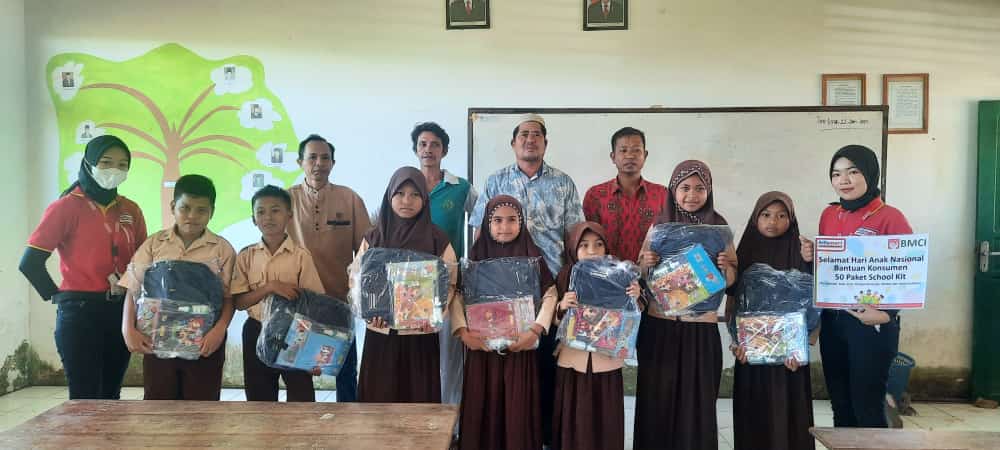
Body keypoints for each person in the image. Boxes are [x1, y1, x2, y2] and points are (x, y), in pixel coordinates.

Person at [469, 113, 584, 445]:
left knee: (545, 363)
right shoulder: (496, 180)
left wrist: (568, 283)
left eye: (536, 135)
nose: (530, 140)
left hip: (549, 286)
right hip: (498, 289)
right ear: (513, 142)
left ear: (545, 143)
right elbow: (479, 232)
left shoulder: (563, 183)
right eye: (524, 135)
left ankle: (540, 434)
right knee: (501, 363)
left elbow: (574, 237)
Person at [19, 135, 147, 400]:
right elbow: (30, 263)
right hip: (79, 314)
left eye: (122, 165)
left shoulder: (130, 210)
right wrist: (58, 296)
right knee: (84, 397)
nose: (114, 170)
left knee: (110, 394)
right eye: (106, 162)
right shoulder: (66, 207)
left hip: (120, 310)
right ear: (89, 163)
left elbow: (142, 261)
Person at [800, 145, 911, 428]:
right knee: (841, 405)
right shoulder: (829, 214)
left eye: (853, 172)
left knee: (867, 406)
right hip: (834, 322)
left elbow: (909, 271)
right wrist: (814, 257)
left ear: (870, 174)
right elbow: (831, 269)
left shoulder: (890, 217)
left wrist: (886, 314)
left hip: (871, 324)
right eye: (836, 174)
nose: (844, 180)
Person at [634, 160, 737, 450]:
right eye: (685, 188)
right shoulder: (660, 224)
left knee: (697, 402)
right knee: (657, 401)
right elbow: (640, 274)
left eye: (700, 188)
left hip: (700, 331)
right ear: (673, 190)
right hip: (660, 328)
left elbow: (732, 281)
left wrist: (726, 267)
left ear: (709, 191)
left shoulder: (718, 227)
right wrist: (646, 262)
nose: (692, 195)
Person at [453, 195, 558, 450]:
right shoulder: (475, 257)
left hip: (520, 347)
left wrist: (535, 330)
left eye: (512, 220)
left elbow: (550, 293)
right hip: (482, 350)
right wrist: (463, 332)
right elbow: (457, 296)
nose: (504, 226)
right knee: (483, 401)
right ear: (487, 224)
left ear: (522, 222)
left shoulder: (533, 256)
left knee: (517, 403)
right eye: (497, 220)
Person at [120, 174, 236, 400]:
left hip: (204, 343)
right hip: (156, 340)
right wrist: (128, 329)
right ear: (173, 207)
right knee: (159, 403)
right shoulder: (154, 244)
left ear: (211, 212)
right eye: (185, 208)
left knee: (202, 405)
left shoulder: (222, 249)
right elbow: (133, 289)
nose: (192, 216)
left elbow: (229, 298)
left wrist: (219, 331)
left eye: (201, 210)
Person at [354, 167, 457, 403]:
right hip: (381, 333)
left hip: (420, 335)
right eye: (400, 193)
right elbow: (357, 279)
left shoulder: (437, 239)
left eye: (415, 194)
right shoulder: (374, 238)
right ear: (389, 195)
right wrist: (369, 314)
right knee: (380, 398)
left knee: (419, 397)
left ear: (425, 199)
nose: (407, 201)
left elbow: (451, 283)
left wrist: (435, 315)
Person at [727, 191, 815, 450]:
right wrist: (736, 342)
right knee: (754, 416)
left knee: (789, 416)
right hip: (751, 355)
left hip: (790, 361)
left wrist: (803, 346)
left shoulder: (801, 254)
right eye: (765, 215)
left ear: (791, 219)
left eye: (781, 215)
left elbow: (813, 305)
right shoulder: (744, 253)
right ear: (755, 218)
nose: (772, 221)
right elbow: (732, 303)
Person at [287, 134, 371, 402]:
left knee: (345, 371)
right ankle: (302, 422)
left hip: (339, 301)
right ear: (300, 162)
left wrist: (357, 291)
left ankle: (348, 421)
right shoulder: (286, 200)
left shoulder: (350, 199)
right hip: (298, 302)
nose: (319, 163)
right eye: (312, 157)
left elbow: (366, 251)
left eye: (325, 158)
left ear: (333, 163)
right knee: (298, 373)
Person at [231, 185, 326, 402]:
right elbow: (239, 303)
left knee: (301, 395)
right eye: (261, 212)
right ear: (253, 219)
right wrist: (269, 287)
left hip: (294, 332)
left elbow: (314, 305)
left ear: (289, 216)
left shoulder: (301, 256)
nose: (268, 217)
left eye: (275, 210)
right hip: (256, 329)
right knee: (259, 396)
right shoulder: (246, 256)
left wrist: (314, 349)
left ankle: (301, 426)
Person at [552, 222, 640, 450]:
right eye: (584, 245)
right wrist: (562, 305)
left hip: (606, 360)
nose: (592, 251)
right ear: (573, 248)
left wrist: (635, 295)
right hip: (573, 361)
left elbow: (632, 316)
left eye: (598, 244)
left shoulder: (619, 275)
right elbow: (553, 319)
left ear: (606, 248)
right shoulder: (566, 275)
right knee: (575, 416)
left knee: (605, 417)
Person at [411, 121, 478, 406]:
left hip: (450, 284)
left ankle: (452, 421)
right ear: (416, 149)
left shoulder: (460, 187)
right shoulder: (406, 185)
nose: (428, 149)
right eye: (423, 144)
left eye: (435, 144)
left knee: (450, 358)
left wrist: (471, 261)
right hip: (411, 287)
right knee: (417, 356)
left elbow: (482, 219)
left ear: (445, 151)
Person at [583, 127, 668, 263]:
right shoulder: (595, 195)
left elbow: (669, 238)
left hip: (652, 272)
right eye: (623, 150)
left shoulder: (662, 194)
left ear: (645, 155)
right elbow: (588, 243)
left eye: (636, 150)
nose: (630, 156)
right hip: (608, 273)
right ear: (613, 157)